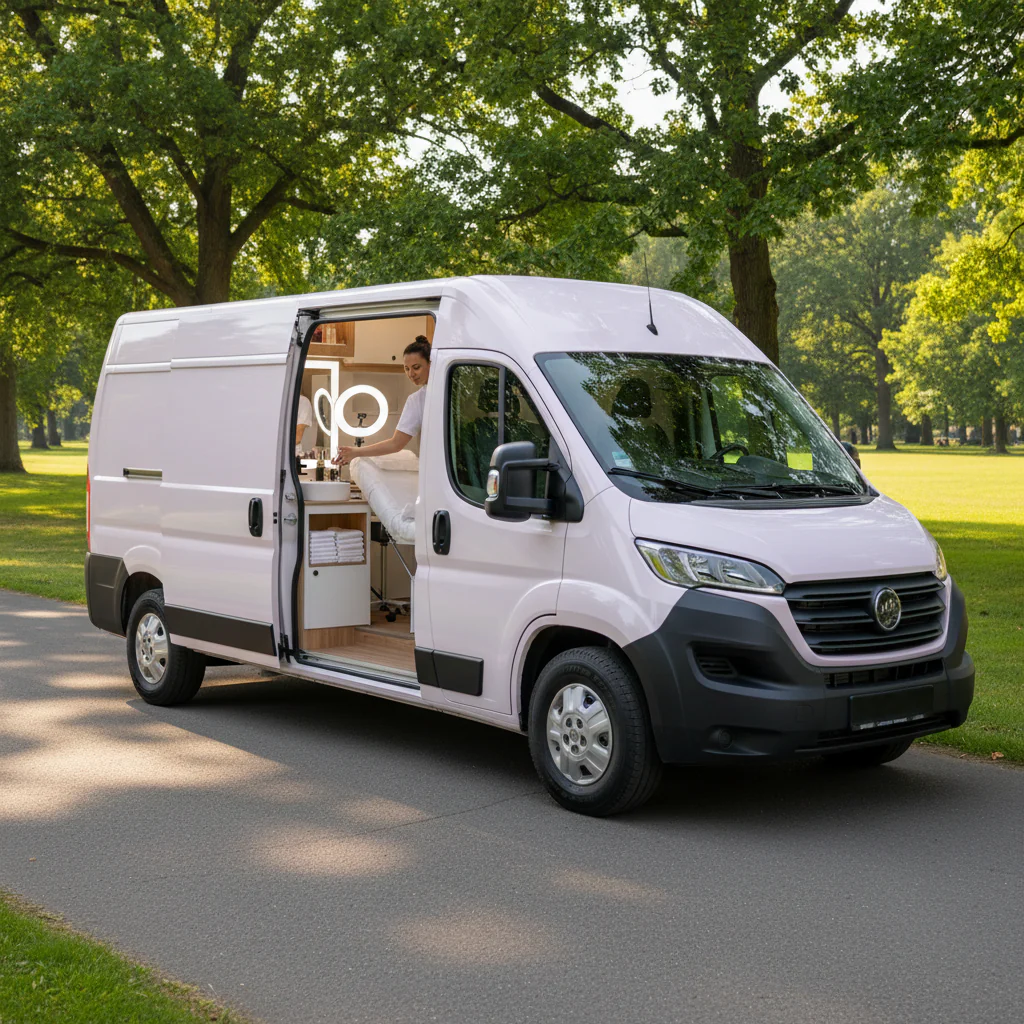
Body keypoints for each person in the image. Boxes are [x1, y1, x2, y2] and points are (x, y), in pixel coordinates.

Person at [333, 336, 430, 466]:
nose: (411, 374)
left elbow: (396, 444)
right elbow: (396, 443)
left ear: (430, 363)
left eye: (416, 367)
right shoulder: (417, 400)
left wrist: (356, 452)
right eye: (407, 369)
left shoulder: (426, 398)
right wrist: (356, 452)